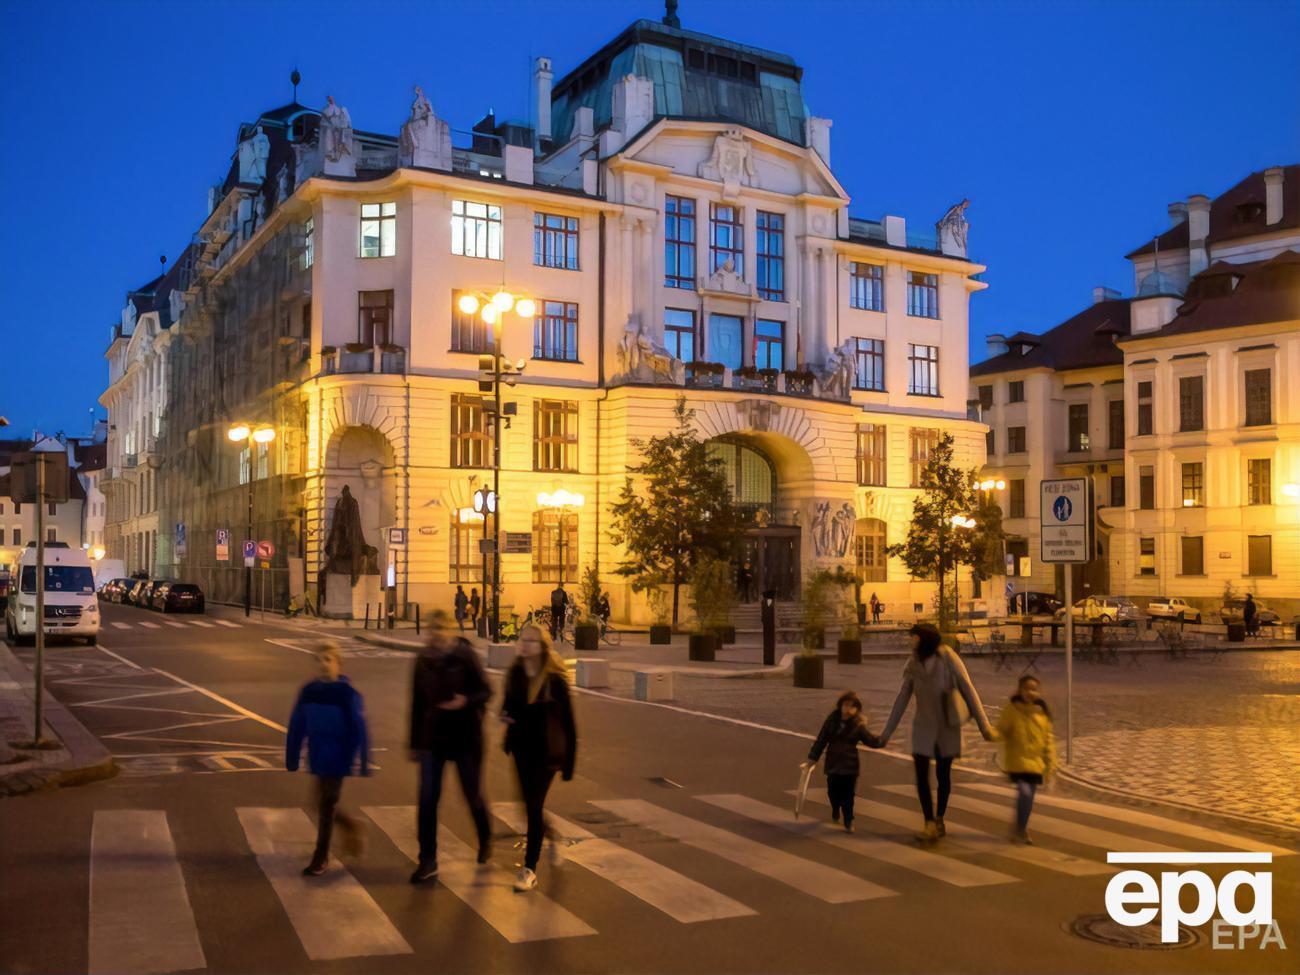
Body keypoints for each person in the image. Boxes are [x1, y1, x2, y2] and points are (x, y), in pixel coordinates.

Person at [878, 622, 997, 842]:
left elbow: (968, 689)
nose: (910, 641)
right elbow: (902, 698)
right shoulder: (913, 663)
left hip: (946, 726)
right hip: (922, 726)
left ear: (924, 639)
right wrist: (886, 733)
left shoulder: (948, 657)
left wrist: (985, 727)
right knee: (921, 776)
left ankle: (940, 817)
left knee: (943, 775)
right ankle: (929, 822)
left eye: (914, 637)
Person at [408, 611, 492, 883]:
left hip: (466, 737)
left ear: (449, 630)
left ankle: (485, 837)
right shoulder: (423, 661)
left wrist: (465, 701)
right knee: (427, 800)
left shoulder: (464, 656)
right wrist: (414, 743)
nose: (435, 633)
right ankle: (427, 859)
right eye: (431, 628)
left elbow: (486, 691)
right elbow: (417, 703)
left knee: (472, 795)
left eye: (440, 628)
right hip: (433, 739)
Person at [499, 624, 577, 892]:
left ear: (542, 647)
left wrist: (569, 763)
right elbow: (507, 707)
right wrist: (505, 717)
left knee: (533, 806)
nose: (525, 644)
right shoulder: (515, 674)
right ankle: (553, 835)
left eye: (531, 641)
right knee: (529, 806)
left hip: (547, 753)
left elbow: (569, 723)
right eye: (523, 639)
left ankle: (529, 868)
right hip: (521, 750)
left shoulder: (555, 681)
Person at [285, 643, 369, 876]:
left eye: (328, 659)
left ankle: (321, 856)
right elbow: (297, 724)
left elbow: (359, 730)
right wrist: (292, 755)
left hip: (338, 756)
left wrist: (359, 760)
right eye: (318, 659)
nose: (323, 664)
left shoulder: (347, 694)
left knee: (326, 803)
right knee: (319, 802)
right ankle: (352, 827)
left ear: (338, 664)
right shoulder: (309, 691)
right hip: (318, 754)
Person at [803, 690, 882, 833]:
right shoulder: (831, 721)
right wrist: (812, 759)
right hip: (833, 763)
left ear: (856, 709)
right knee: (832, 792)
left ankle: (848, 820)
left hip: (850, 765)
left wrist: (883, 740)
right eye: (846, 705)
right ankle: (835, 809)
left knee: (848, 795)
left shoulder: (858, 725)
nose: (848, 709)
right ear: (840, 706)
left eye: (852, 706)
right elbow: (821, 740)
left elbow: (870, 740)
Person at [995, 674, 1056, 844]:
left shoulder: (1042, 713)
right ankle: (1020, 829)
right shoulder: (1012, 709)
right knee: (1025, 793)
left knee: (1029, 800)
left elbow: (1048, 740)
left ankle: (1020, 828)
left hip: (1036, 764)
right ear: (1019, 690)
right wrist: (991, 734)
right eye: (1026, 688)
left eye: (1034, 689)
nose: (1030, 692)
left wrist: (1051, 763)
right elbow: (1002, 730)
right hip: (1017, 762)